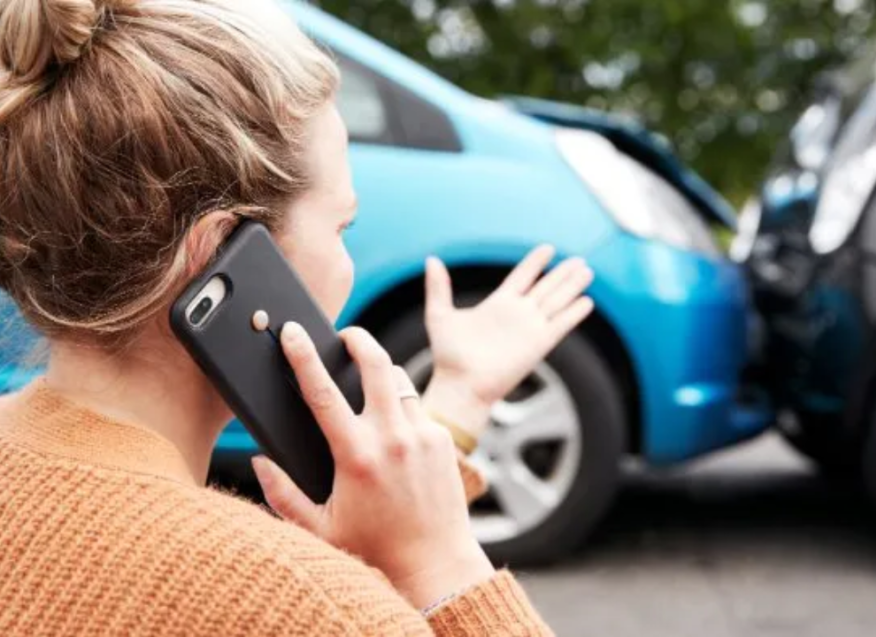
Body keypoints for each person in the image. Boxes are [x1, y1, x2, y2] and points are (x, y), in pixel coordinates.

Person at [0, 0, 598, 635]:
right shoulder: (306, 605)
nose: (346, 259)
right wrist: (441, 565)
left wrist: (457, 402)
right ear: (214, 255)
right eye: (342, 226)